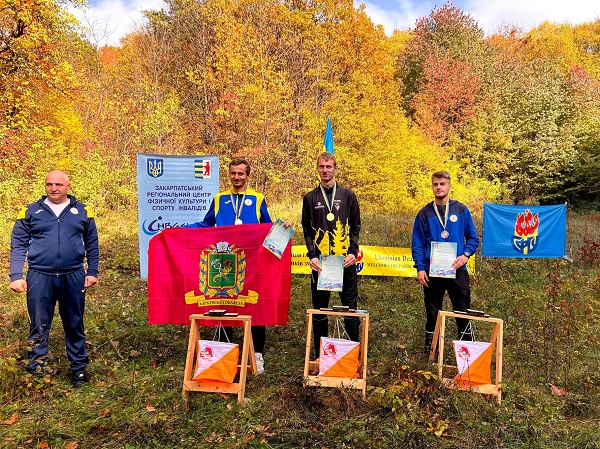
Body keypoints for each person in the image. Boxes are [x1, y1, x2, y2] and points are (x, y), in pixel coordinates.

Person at [185, 157, 274, 374]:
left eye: (241, 174)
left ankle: (256, 354)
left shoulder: (258, 198)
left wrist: (283, 227)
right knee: (224, 306)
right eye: (233, 173)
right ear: (229, 174)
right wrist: (183, 228)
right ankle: (223, 354)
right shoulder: (219, 199)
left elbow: (268, 227)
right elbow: (206, 224)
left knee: (254, 307)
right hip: (225, 262)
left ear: (248, 176)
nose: (237, 177)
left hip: (252, 262)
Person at [9, 170, 99, 387]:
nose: (54, 188)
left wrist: (92, 272)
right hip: (40, 276)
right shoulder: (30, 211)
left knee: (74, 323)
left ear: (68, 186)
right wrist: (16, 275)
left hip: (73, 275)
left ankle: (78, 369)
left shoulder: (83, 211)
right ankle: (36, 370)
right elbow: (19, 244)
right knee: (39, 325)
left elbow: (92, 244)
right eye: (49, 184)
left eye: (59, 184)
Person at [411, 170, 479, 353]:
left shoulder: (461, 210)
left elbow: (473, 238)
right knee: (433, 314)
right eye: (435, 184)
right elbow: (417, 244)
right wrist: (420, 268)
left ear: (449, 186)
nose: (439, 187)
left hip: (458, 270)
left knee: (463, 312)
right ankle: (431, 355)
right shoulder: (424, 213)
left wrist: (465, 254)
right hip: (433, 272)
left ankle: (468, 356)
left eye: (442, 184)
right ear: (432, 186)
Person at [302, 152, 361, 358]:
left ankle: (353, 354)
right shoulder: (309, 198)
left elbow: (355, 226)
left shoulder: (348, 195)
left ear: (336, 168)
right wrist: (312, 255)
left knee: (350, 308)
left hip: (345, 263)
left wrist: (353, 251)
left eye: (329, 166)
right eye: (321, 166)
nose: (325, 170)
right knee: (320, 310)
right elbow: (307, 230)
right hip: (321, 264)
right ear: (317, 169)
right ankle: (321, 356)